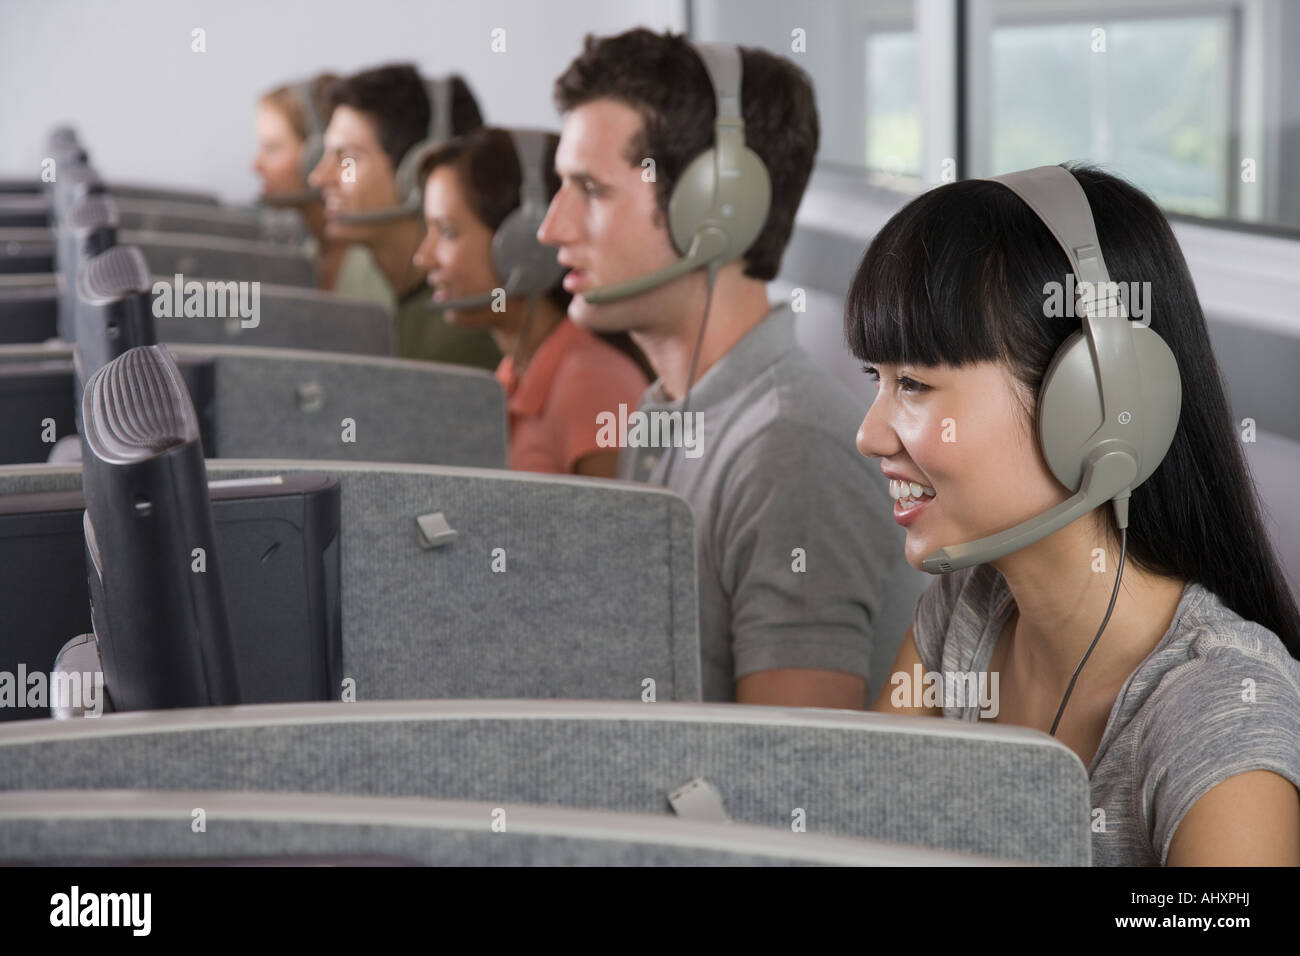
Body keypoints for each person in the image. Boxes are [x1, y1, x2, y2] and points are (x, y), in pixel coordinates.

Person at [852, 163, 1300, 866]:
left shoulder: (1221, 714)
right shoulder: (962, 618)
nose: (870, 435)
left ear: (1094, 404)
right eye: (874, 380)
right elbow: (848, 843)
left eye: (913, 383)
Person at [538, 29, 925, 707]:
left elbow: (787, 785)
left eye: (590, 190)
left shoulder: (789, 455)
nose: (551, 227)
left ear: (719, 209)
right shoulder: (669, 415)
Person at [413, 127, 649, 477]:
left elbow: (621, 530)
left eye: (447, 232)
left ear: (525, 248)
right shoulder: (515, 371)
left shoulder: (592, 384)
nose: (423, 257)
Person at [307, 63, 499, 369]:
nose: (318, 178)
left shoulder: (463, 337)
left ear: (416, 172)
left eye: (346, 158)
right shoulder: (372, 288)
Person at [252, 74, 389, 304]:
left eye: (272, 148)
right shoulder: (308, 254)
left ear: (316, 156)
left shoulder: (374, 267)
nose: (256, 165)